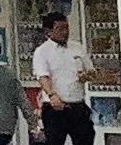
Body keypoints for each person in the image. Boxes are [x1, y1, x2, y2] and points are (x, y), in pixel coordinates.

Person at [31, 11, 95, 145]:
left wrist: (86, 75)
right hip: (55, 108)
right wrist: (52, 95)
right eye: (60, 29)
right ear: (49, 31)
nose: (64, 32)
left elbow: (91, 71)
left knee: (86, 139)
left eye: (66, 28)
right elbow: (43, 76)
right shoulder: (42, 51)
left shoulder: (77, 47)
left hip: (77, 104)